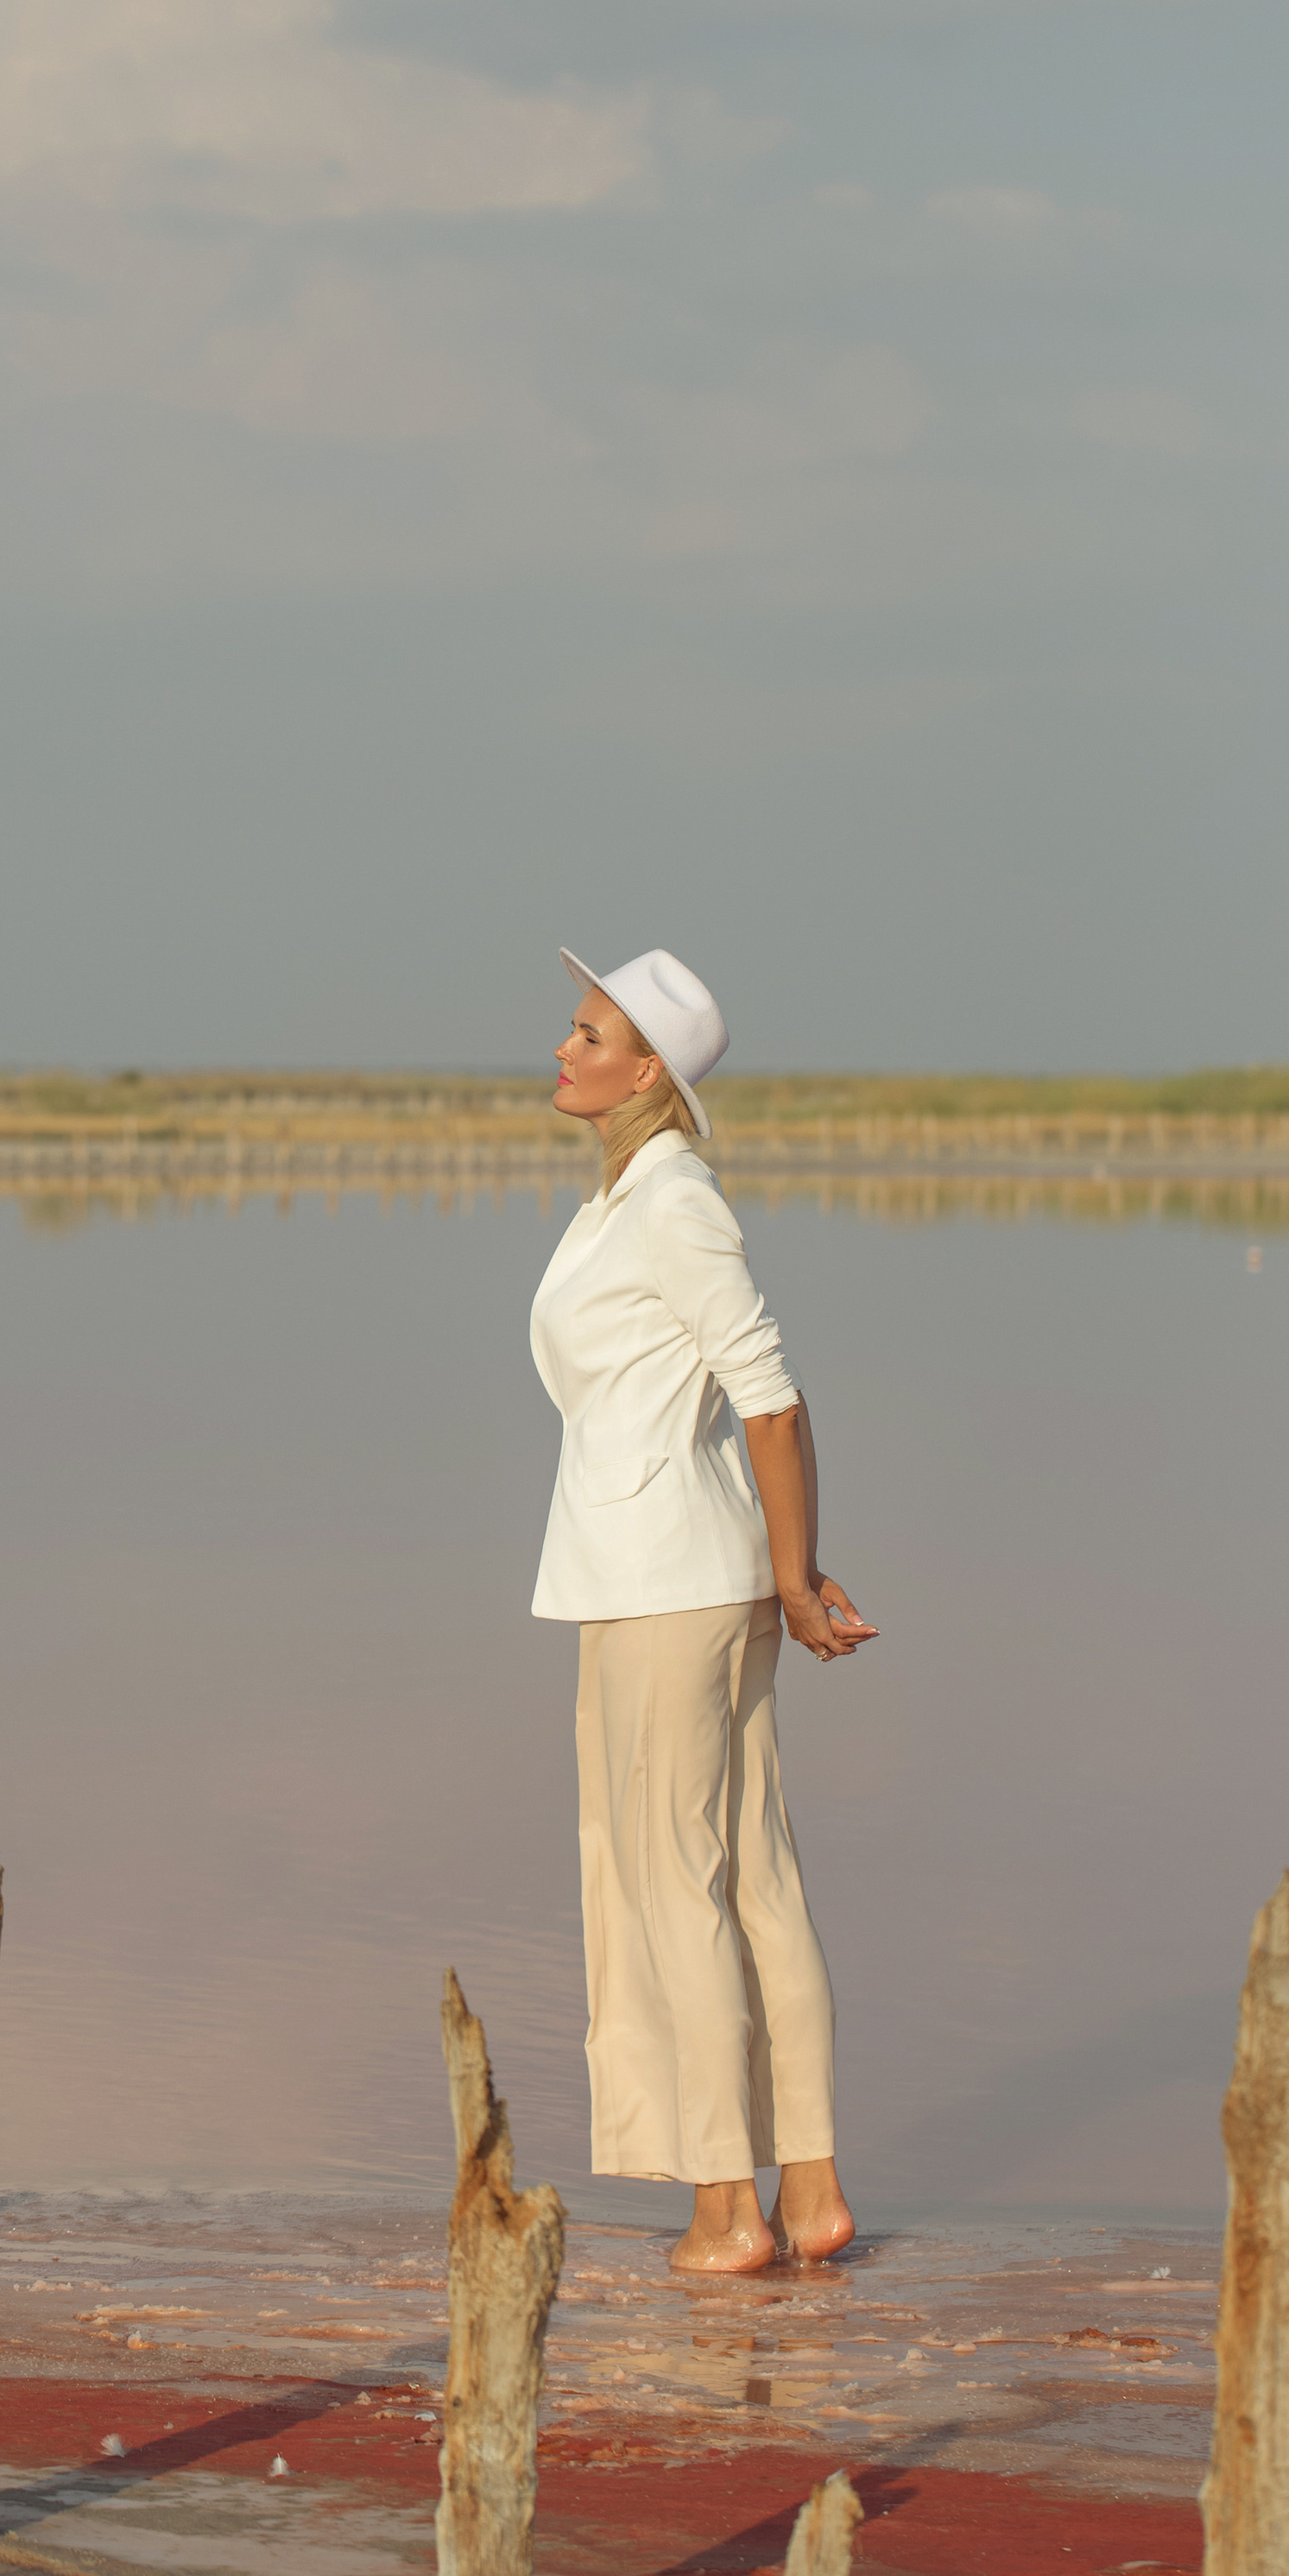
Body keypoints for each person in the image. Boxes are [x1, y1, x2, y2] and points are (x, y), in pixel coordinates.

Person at [531, 944, 876, 2273]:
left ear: (646, 1073)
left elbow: (769, 1397)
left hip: (662, 1583)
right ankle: (812, 2194)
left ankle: (729, 2210)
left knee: (671, 1885)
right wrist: (784, 1574)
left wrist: (799, 1575)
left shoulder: (671, 1201)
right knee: (752, 1878)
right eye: (572, 1027)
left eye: (589, 1033)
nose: (563, 1049)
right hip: (682, 1571)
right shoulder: (629, 1196)